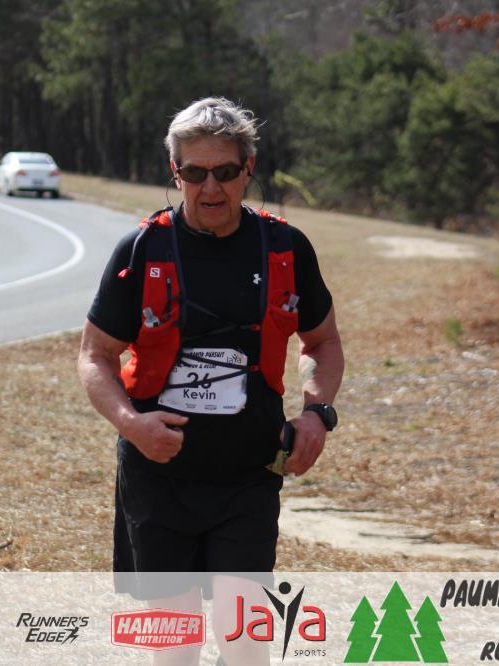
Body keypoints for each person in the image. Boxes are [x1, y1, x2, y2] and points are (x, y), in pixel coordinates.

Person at [77, 97, 344, 665]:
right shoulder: (142, 250)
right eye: (195, 173)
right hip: (159, 477)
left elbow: (322, 342)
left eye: (224, 171)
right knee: (176, 648)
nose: (211, 188)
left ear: (249, 168)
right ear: (175, 173)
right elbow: (95, 356)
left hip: (248, 476)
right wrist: (131, 424)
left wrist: (317, 413)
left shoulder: (285, 249)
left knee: (245, 643)